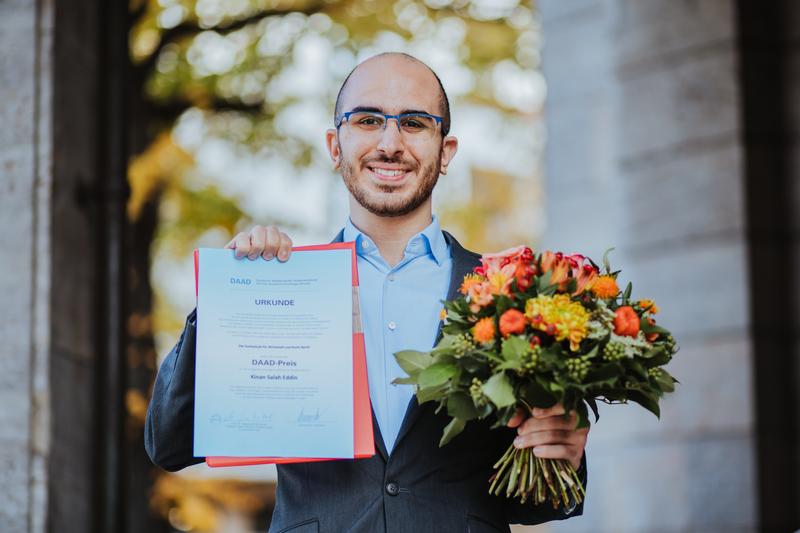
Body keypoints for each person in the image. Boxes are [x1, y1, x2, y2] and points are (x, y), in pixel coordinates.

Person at [145, 52, 589, 533]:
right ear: (336, 145)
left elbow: (535, 503)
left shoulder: (507, 293)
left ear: (447, 150)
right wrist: (226, 300)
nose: (390, 143)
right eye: (368, 120)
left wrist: (562, 451)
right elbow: (169, 442)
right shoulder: (280, 288)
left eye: (415, 123)